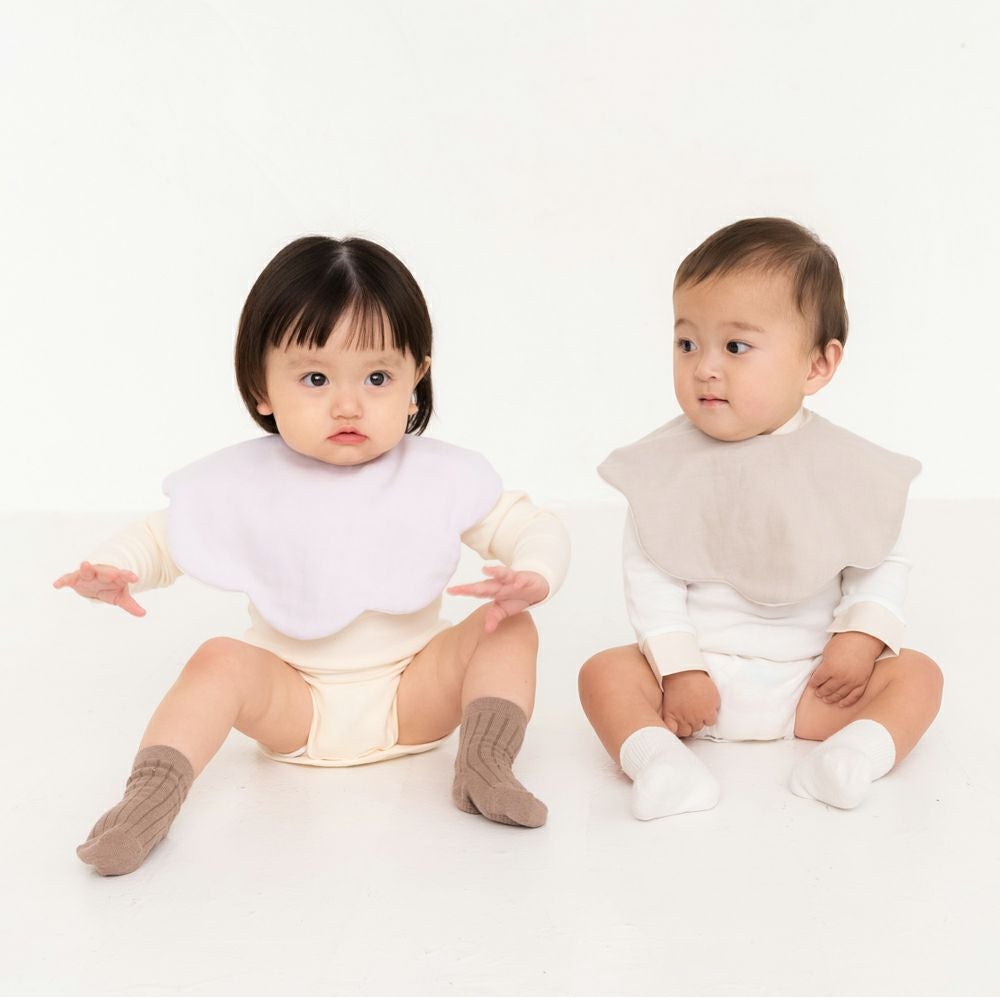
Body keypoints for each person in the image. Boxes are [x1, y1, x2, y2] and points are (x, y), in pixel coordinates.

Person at [55, 236, 570, 875]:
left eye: (378, 378)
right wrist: (116, 567)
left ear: (416, 379)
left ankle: (486, 765)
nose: (348, 405)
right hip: (292, 700)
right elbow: (163, 538)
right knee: (218, 660)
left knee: (509, 627)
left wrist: (533, 573)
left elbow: (531, 526)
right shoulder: (242, 483)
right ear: (261, 387)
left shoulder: (437, 475)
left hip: (417, 690)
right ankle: (146, 803)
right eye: (316, 378)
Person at [579, 217, 942, 820]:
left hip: (815, 683)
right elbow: (652, 579)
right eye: (687, 343)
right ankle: (662, 765)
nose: (704, 367)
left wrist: (859, 641)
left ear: (816, 366)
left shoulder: (849, 467)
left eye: (735, 347)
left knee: (918, 677)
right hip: (698, 687)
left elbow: (881, 557)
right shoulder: (663, 467)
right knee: (604, 674)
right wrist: (680, 668)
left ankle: (852, 756)